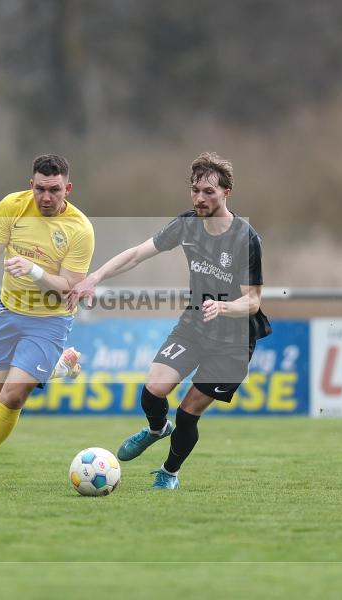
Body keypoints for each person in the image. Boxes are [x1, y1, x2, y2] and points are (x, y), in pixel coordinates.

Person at [66, 152, 271, 490]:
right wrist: (95, 277)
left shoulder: (246, 238)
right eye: (195, 191)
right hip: (195, 324)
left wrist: (223, 308)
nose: (200, 198)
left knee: (189, 412)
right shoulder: (186, 224)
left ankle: (169, 472)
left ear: (226, 193)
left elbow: (253, 300)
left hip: (233, 338)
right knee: (153, 390)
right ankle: (157, 429)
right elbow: (136, 253)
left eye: (209, 192)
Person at [0, 154, 94, 489]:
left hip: (50, 321)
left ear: (67, 188)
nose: (46, 197)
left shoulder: (80, 229)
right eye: (40, 189)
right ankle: (59, 367)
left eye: (54, 190)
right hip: (9, 313)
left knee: (12, 397)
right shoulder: (12, 206)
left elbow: (70, 286)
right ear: (31, 185)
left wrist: (35, 270)